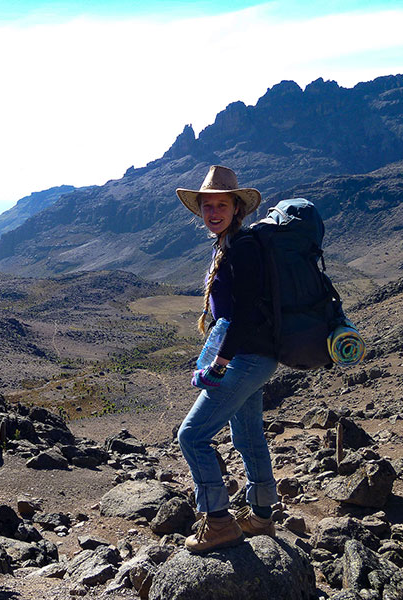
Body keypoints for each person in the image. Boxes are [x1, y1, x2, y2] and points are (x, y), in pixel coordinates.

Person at [175, 165, 279, 553]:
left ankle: (219, 523)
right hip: (255, 357)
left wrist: (220, 363)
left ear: (238, 208)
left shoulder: (243, 248)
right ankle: (261, 516)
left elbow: (246, 311)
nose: (213, 211)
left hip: (245, 359)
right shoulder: (230, 244)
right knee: (248, 434)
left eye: (221, 204)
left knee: (192, 436)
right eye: (207, 205)